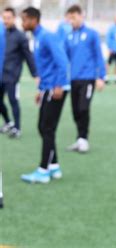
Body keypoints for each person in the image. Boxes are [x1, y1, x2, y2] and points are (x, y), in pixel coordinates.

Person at [20, 7, 70, 184]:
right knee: (43, 128)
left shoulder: (47, 36)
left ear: (34, 19)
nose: (22, 23)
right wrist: (41, 90)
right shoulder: (38, 38)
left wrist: (58, 85)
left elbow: (62, 60)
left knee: (46, 128)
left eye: (24, 19)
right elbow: (46, 67)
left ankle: (43, 170)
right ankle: (54, 166)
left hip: (56, 89)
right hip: (47, 88)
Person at [64, 5, 105, 153]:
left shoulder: (91, 34)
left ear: (82, 16)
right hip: (73, 79)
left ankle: (83, 139)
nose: (71, 21)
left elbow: (99, 56)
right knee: (75, 110)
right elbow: (64, 57)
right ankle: (79, 138)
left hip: (88, 78)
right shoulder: (69, 36)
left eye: (74, 17)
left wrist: (101, 77)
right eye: (69, 18)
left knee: (83, 107)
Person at [0, 7, 38, 138]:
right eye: (3, 18)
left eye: (8, 18)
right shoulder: (1, 34)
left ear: (14, 18)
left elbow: (28, 56)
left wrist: (35, 74)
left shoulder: (20, 36)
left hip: (12, 76)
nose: (5, 20)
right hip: (0, 74)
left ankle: (17, 127)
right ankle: (8, 122)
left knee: (13, 100)